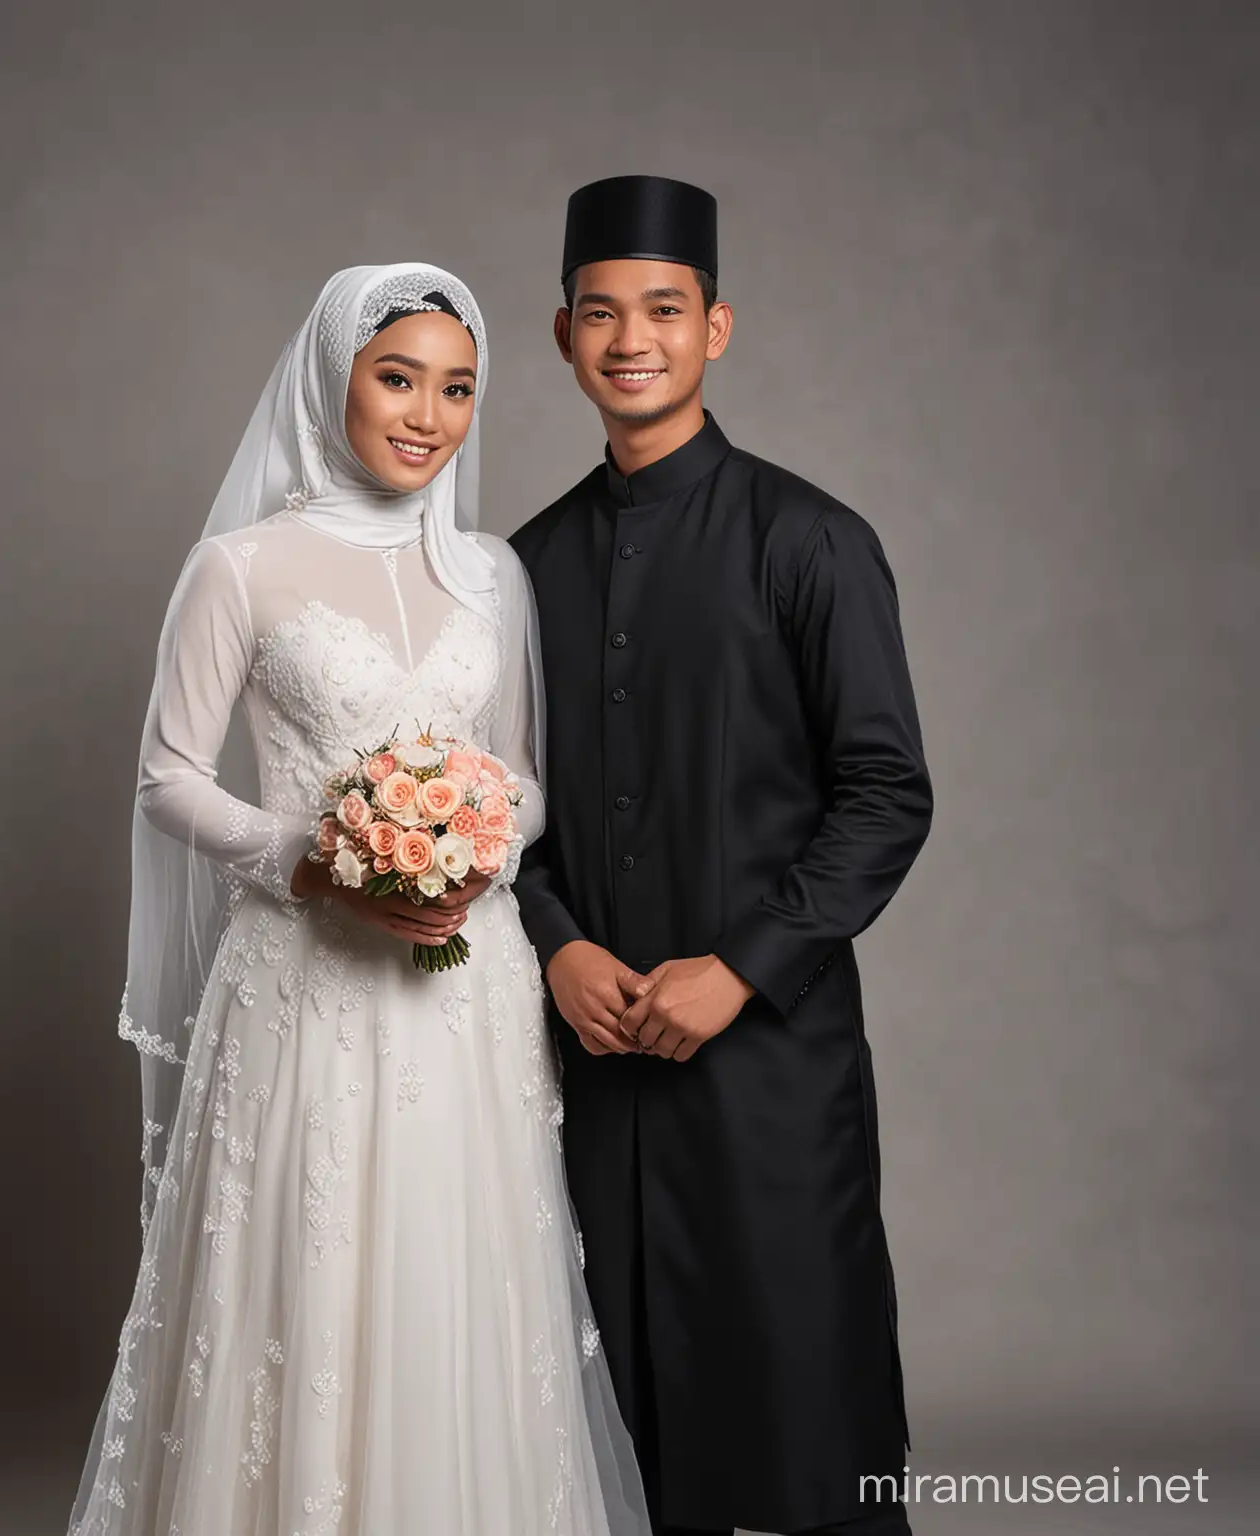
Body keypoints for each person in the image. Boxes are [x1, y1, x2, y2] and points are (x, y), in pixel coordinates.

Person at [70, 263, 650, 1536]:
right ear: (331, 380)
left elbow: (529, 779)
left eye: (458, 389)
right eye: (398, 379)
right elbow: (168, 775)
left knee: (459, 1279)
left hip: (469, 990)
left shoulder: (493, 574)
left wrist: (477, 837)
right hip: (304, 986)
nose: (428, 416)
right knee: (306, 1277)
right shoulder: (240, 567)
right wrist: (320, 859)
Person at [510, 176, 934, 1536]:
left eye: (665, 310)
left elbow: (885, 792)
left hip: (767, 1067)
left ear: (717, 328)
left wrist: (743, 969)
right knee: (616, 1433)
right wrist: (558, 936)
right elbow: (498, 808)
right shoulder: (520, 572)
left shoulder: (809, 541)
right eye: (601, 313)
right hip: (585, 1073)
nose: (632, 338)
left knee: (815, 1422)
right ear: (563, 336)